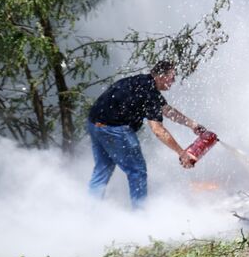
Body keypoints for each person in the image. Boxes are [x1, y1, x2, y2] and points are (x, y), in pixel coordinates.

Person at [86, 60, 209, 208]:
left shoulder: (143, 81)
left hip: (94, 123)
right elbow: (158, 130)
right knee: (137, 171)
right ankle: (140, 217)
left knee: (103, 169)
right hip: (115, 129)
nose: (174, 80)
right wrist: (182, 153)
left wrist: (192, 125)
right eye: (172, 77)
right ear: (161, 76)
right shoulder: (149, 93)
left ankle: (90, 212)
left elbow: (166, 110)